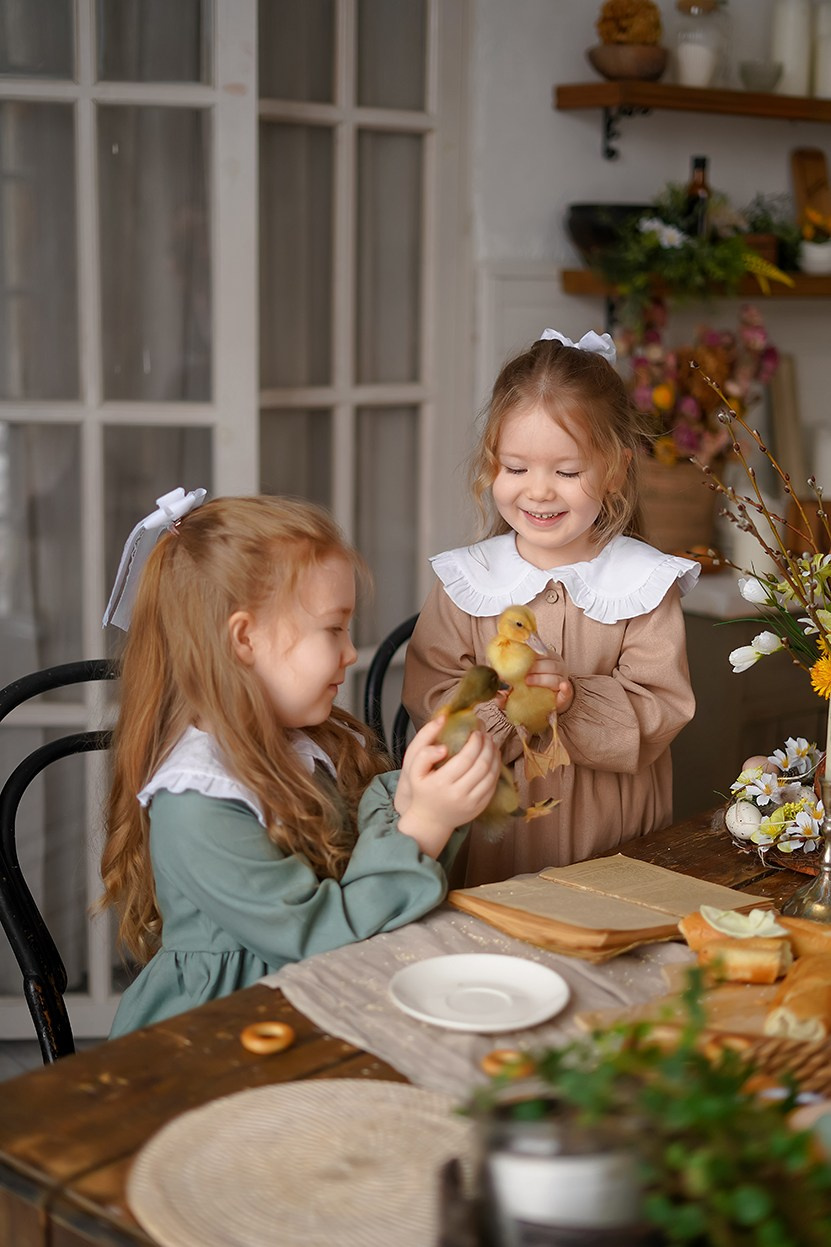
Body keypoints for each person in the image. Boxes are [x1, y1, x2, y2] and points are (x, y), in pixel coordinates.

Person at [99, 493, 501, 1036]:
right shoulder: (199, 803)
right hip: (220, 1033)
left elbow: (357, 864)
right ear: (245, 639)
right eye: (333, 629)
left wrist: (412, 792)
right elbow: (316, 937)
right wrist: (423, 826)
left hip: (319, 996)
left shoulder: (302, 744)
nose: (352, 652)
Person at [402, 328, 700, 887]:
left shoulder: (642, 583)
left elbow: (664, 706)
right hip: (497, 843)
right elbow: (434, 699)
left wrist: (574, 697)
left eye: (566, 473)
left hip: (614, 842)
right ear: (491, 465)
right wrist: (505, 706)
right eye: (515, 469)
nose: (538, 492)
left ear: (612, 469)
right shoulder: (467, 580)